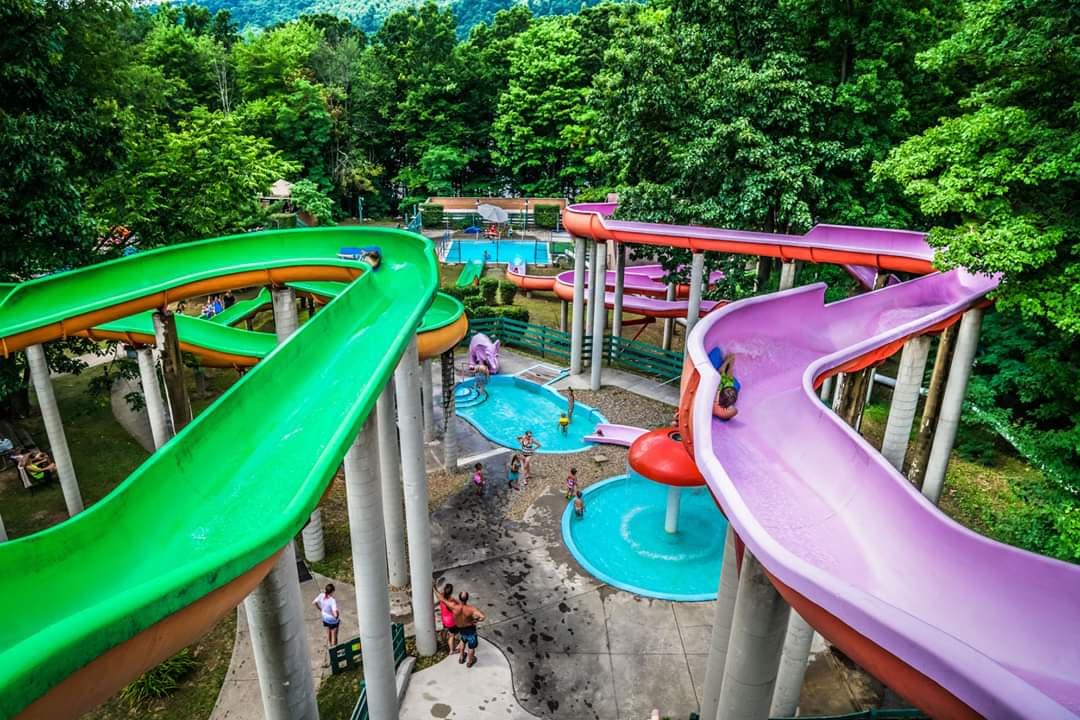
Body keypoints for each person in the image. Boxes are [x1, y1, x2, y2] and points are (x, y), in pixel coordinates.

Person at [453, 591, 487, 668]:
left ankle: (461, 658)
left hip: (462, 630)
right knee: (471, 647)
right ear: (467, 598)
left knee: (463, 640)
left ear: (459, 598)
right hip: (470, 631)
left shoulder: (456, 607)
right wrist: (476, 620)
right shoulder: (471, 609)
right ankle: (470, 661)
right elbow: (483, 617)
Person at [434, 582, 459, 654]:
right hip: (451, 621)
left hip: (444, 620)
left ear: (444, 590)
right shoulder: (453, 601)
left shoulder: (441, 597)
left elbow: (437, 594)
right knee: (451, 636)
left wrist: (434, 587)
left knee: (445, 630)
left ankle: (443, 641)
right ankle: (452, 650)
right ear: (451, 591)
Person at [713, 354, 739, 421]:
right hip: (721, 388)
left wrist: (718, 393)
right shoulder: (723, 412)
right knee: (729, 383)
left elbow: (735, 411)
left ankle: (724, 366)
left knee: (725, 382)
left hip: (718, 387)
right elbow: (736, 411)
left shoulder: (715, 407)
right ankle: (727, 365)